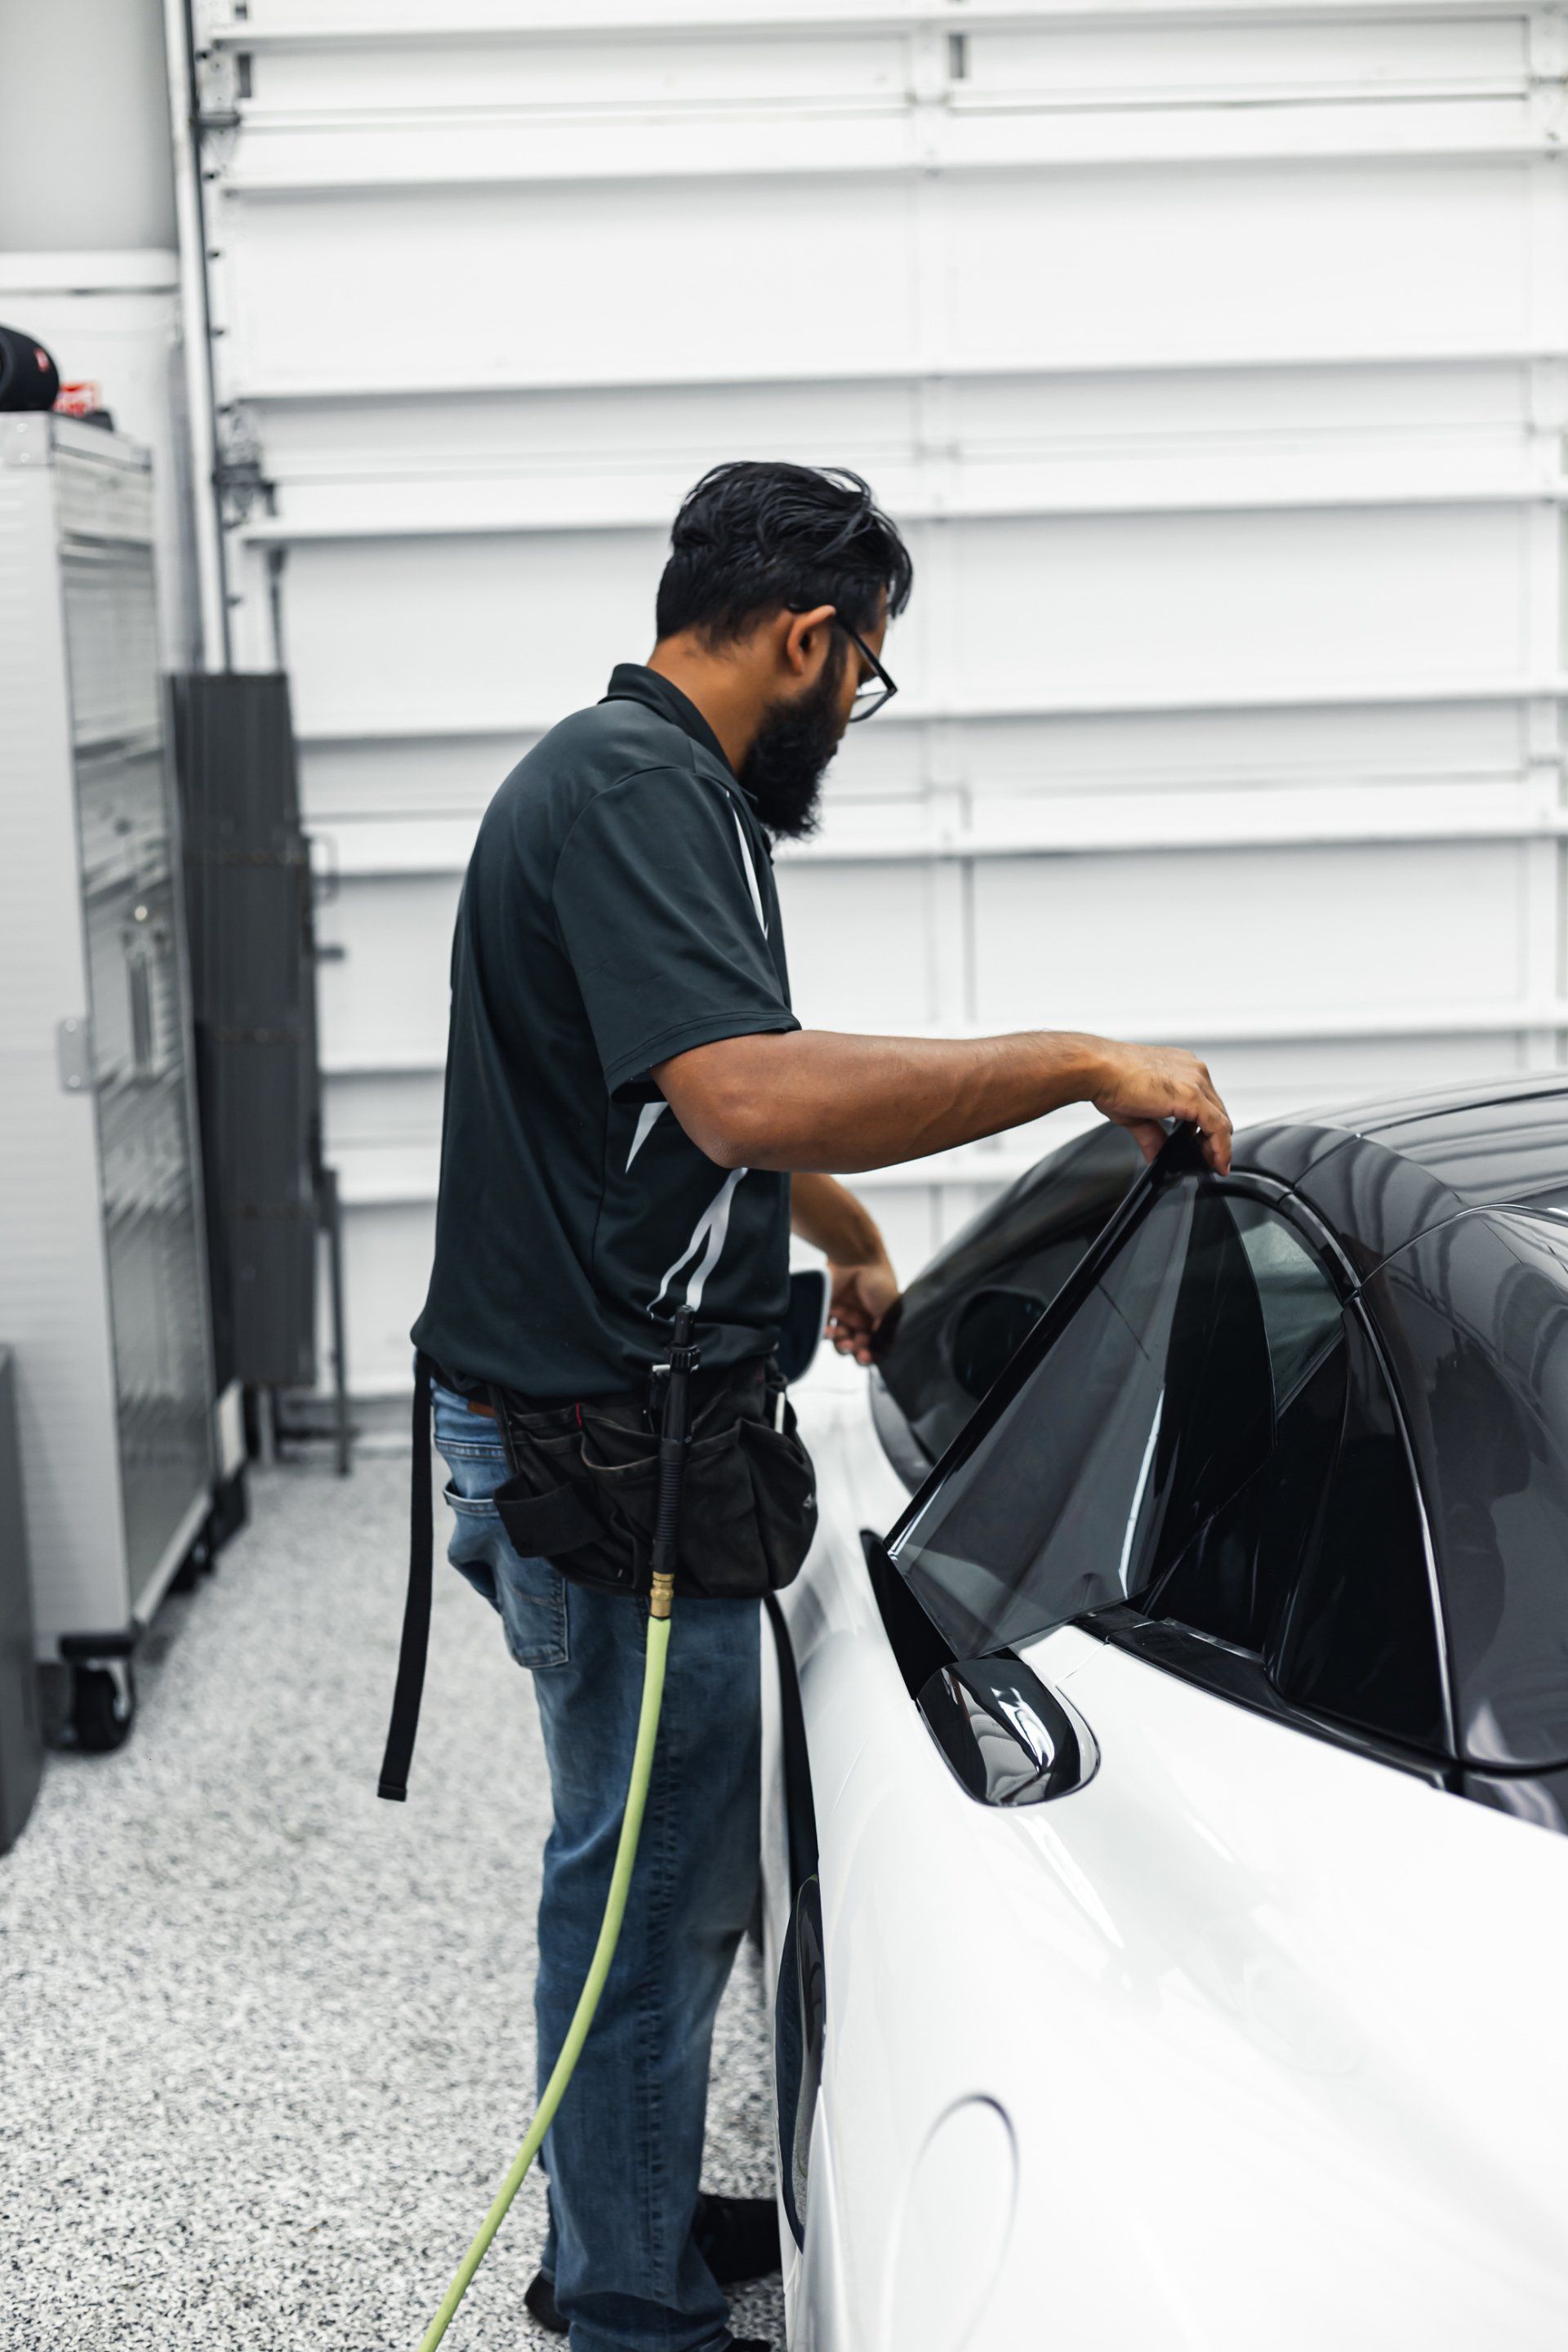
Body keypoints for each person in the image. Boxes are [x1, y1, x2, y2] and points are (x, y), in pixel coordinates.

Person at [410, 460, 1232, 2352]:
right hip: (599, 1447)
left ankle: (620, 2211)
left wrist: (848, 1242)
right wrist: (1074, 1062)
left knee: (652, 1866)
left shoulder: (644, 783)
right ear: (809, 638)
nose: (850, 720)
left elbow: (693, 1098)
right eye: (861, 681)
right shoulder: (637, 795)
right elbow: (746, 1102)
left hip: (589, 1422)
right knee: (648, 1881)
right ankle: (624, 2301)